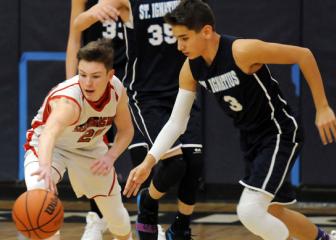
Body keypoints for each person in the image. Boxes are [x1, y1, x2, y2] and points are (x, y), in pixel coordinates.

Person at [123, 0, 336, 240]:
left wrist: (322, 107)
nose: (179, 46)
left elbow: (303, 55)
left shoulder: (242, 51)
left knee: (250, 211)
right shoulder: (190, 69)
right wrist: (149, 162)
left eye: (184, 38)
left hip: (278, 132)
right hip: (251, 140)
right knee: (273, 211)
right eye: (176, 39)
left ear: (207, 31)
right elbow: (176, 123)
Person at [74, 1, 204, 239]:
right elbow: (79, 24)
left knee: (194, 164)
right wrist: (93, 12)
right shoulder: (127, 2)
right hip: (148, 94)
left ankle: (181, 227)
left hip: (182, 87)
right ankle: (145, 204)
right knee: (174, 164)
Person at [24, 39, 134, 240]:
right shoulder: (69, 100)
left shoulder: (117, 91)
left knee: (117, 218)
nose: (87, 83)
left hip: (90, 148)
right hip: (50, 148)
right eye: (82, 75)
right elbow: (50, 133)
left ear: (110, 75)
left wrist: (111, 157)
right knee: (39, 202)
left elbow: (126, 131)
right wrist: (46, 166)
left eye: (95, 76)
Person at [66, 1, 129, 239]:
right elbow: (74, 36)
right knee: (94, 146)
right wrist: (71, 86)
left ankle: (148, 219)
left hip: (131, 67)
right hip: (96, 71)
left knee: (140, 146)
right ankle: (97, 218)